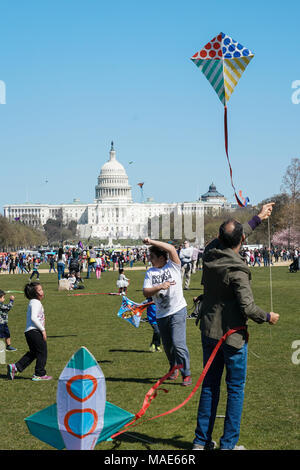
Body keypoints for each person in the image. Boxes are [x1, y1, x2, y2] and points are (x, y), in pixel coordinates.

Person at [192, 202, 279, 451]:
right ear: (241, 239)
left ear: (218, 238)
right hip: (232, 338)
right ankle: (228, 445)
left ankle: (200, 442)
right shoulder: (238, 270)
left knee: (210, 386)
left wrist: (258, 218)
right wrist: (268, 316)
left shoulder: (210, 253)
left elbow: (231, 237)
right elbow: (248, 309)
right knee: (235, 389)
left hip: (209, 332)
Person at [142, 238, 192, 386]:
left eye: (152, 257)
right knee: (168, 346)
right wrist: (160, 287)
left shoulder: (173, 266)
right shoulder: (150, 273)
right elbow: (146, 292)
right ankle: (174, 368)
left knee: (178, 344)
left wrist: (151, 241)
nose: (150, 260)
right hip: (162, 314)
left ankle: (186, 374)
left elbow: (170, 248)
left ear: (162, 258)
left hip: (177, 310)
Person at [7, 282, 52, 381]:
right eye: (39, 290)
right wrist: (43, 330)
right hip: (35, 332)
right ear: (34, 293)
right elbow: (33, 317)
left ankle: (16, 367)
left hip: (30, 332)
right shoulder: (36, 302)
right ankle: (39, 374)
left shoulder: (33, 302)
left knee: (34, 353)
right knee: (42, 352)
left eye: (41, 289)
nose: (42, 291)